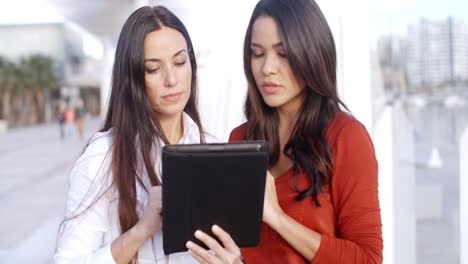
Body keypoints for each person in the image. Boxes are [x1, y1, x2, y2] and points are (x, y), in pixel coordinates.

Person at [186, 0, 383, 263]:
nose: (267, 68)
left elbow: (368, 258)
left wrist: (277, 218)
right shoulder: (240, 140)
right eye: (258, 53)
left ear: (311, 53)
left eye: (283, 54)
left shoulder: (346, 136)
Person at [54, 6, 213, 264]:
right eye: (153, 68)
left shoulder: (213, 149)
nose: (172, 79)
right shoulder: (104, 155)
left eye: (180, 62)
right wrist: (141, 230)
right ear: (133, 77)